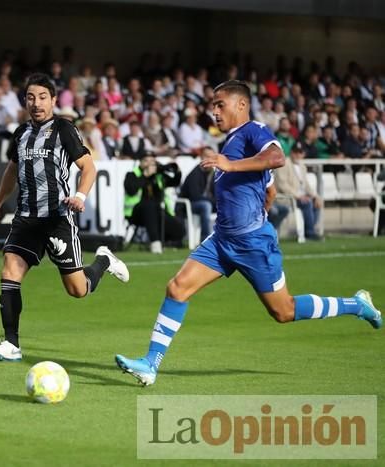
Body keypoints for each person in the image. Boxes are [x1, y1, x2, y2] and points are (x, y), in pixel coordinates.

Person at [115, 80, 381, 387]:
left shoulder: (254, 131)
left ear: (241, 104)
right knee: (177, 288)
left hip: (253, 243)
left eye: (219, 104)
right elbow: (270, 188)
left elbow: (277, 159)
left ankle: (356, 305)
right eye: (212, 105)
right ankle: (150, 364)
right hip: (222, 239)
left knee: (284, 311)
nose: (213, 111)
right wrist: (255, 200)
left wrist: (232, 166)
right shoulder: (232, 142)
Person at [0, 73, 130, 361]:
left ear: (52, 100)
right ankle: (11, 344)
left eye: (42, 97)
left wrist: (80, 196)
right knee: (9, 272)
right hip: (26, 218)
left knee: (77, 290)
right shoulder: (20, 133)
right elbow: (11, 171)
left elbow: (89, 168)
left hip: (57, 217)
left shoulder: (64, 128)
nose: (35, 103)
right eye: (30, 97)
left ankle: (103, 261)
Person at [124, 154, 185, 253]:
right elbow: (131, 190)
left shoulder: (158, 175)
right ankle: (155, 243)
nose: (149, 164)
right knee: (149, 205)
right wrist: (145, 175)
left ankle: (165, 242)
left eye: (152, 161)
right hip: (136, 213)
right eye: (146, 161)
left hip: (158, 212)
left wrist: (177, 171)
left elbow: (175, 182)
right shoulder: (132, 175)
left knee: (179, 229)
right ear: (140, 162)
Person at [274, 142, 322, 240]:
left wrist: (315, 195)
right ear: (291, 152)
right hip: (286, 197)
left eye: (300, 152)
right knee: (307, 202)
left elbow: (306, 185)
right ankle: (309, 233)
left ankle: (310, 229)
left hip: (299, 196)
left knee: (316, 202)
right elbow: (282, 185)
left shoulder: (302, 165)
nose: (297, 155)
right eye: (295, 152)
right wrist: (298, 196)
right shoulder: (284, 163)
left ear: (303, 154)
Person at [179, 163, 214, 241]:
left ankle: (228, 239)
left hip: (207, 202)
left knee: (226, 204)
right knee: (206, 205)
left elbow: (217, 194)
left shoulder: (212, 173)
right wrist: (213, 201)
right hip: (189, 204)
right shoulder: (194, 174)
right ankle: (205, 239)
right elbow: (195, 196)